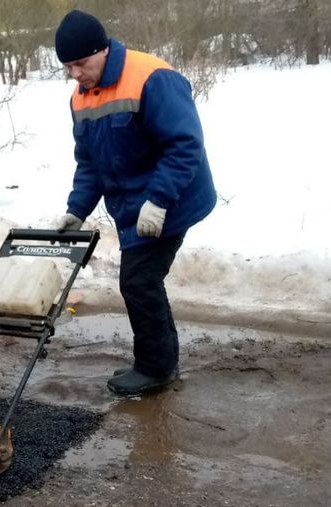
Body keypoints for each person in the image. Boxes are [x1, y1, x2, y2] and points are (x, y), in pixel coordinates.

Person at [53, 10, 216, 396]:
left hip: (173, 197)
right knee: (142, 281)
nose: (75, 74)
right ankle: (161, 359)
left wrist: (158, 201)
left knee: (139, 281)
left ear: (103, 51)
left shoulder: (151, 78)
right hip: (132, 203)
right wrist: (76, 209)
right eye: (67, 67)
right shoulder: (81, 98)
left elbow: (184, 144)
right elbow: (90, 161)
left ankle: (156, 367)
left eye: (81, 63)